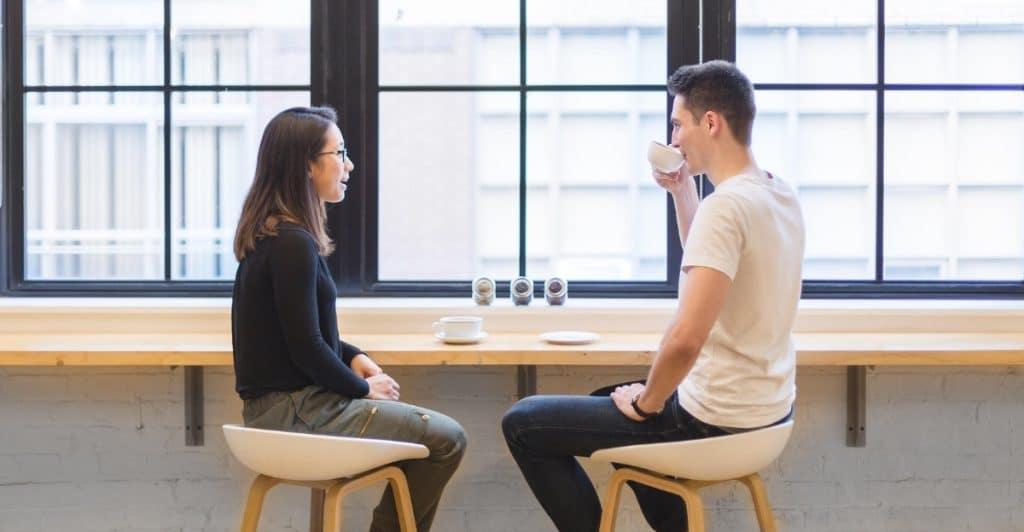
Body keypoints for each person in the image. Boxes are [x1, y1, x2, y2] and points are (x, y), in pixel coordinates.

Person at [501, 60, 805, 532]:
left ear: (711, 123)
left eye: (677, 124)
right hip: (767, 413)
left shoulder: (726, 207)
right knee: (609, 400)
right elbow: (715, 265)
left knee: (524, 424)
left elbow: (686, 339)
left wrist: (649, 403)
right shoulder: (776, 193)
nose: (674, 140)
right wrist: (683, 193)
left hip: (714, 419)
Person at [231, 106, 466, 532]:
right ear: (306, 165)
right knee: (446, 438)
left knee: (437, 438)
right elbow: (305, 348)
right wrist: (362, 388)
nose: (349, 164)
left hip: (278, 411)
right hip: (294, 413)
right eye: (339, 152)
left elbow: (298, 334)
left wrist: (352, 354)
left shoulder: (274, 235)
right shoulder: (292, 245)